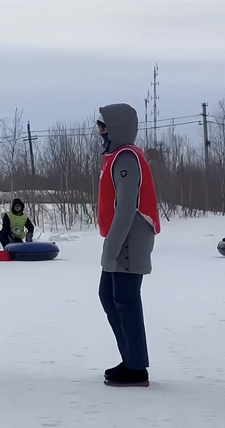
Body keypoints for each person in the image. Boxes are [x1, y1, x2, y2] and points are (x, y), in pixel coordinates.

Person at [96, 104, 161, 387]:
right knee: (109, 297)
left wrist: (111, 247)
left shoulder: (126, 158)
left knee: (125, 301)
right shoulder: (116, 157)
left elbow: (126, 207)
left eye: (103, 126)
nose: (99, 131)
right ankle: (130, 360)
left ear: (116, 127)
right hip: (119, 240)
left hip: (127, 242)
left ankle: (136, 368)